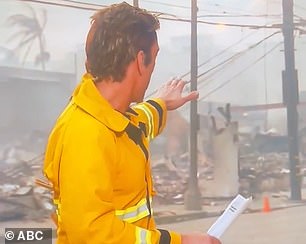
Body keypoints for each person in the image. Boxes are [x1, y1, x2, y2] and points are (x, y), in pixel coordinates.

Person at [43, 2, 221, 244]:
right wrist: (180, 241)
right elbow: (92, 233)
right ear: (140, 60)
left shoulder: (113, 118)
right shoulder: (85, 134)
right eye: (154, 56)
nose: (153, 67)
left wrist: (161, 103)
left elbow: (139, 126)